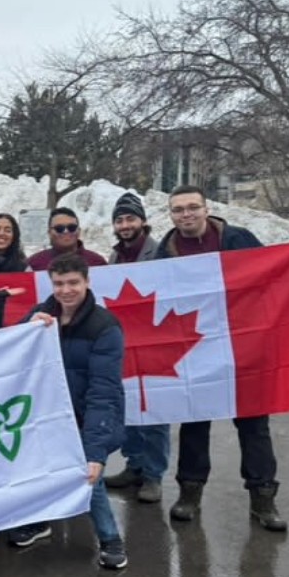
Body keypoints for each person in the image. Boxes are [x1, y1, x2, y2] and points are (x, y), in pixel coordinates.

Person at [155, 184, 289, 530]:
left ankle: (263, 498)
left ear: (206, 209)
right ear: (171, 215)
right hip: (196, 350)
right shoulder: (165, 253)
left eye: (192, 207)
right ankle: (190, 492)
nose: (186, 214)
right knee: (194, 425)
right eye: (178, 210)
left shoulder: (238, 239)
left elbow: (272, 272)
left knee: (254, 427)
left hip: (242, 348)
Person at [13, 253, 128, 570]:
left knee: (90, 477)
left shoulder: (105, 327)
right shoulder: (42, 314)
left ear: (87, 282)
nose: (66, 290)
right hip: (47, 412)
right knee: (40, 469)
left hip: (85, 413)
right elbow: (12, 350)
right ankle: (41, 521)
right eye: (59, 283)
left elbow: (102, 392)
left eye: (73, 283)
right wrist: (27, 326)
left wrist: (96, 451)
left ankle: (110, 539)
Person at [102, 192, 169, 504]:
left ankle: (153, 474)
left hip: (157, 341)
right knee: (129, 406)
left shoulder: (161, 253)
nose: (125, 225)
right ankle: (135, 464)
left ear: (142, 221)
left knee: (157, 412)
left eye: (130, 218)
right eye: (120, 220)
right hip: (127, 343)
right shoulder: (114, 258)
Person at [27, 208, 108, 271]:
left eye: (71, 227)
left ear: (79, 231)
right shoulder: (33, 264)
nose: (66, 231)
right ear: (49, 232)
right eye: (59, 228)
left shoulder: (97, 262)